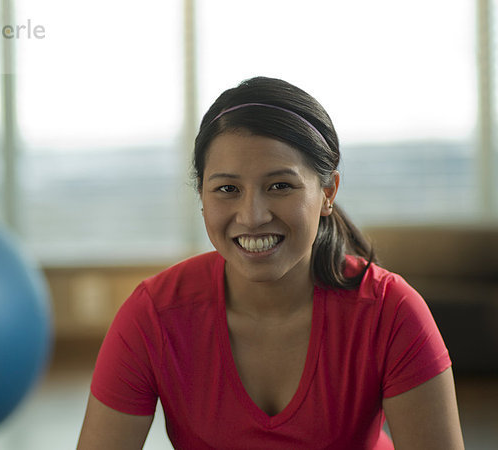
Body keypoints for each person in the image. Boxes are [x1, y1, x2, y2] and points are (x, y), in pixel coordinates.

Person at [78, 77, 464, 449]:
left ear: (327, 192)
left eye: (280, 186)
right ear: (202, 196)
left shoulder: (390, 311)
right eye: (227, 189)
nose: (252, 216)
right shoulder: (154, 315)